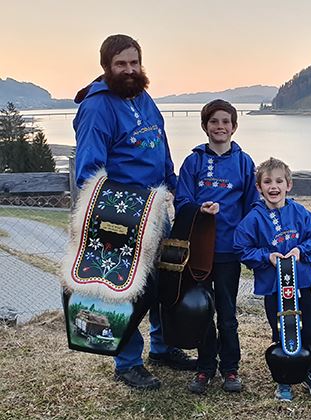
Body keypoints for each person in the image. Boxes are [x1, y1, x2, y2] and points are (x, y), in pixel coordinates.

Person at [73, 34, 196, 390]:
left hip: (156, 208)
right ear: (106, 67)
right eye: (121, 64)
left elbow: (160, 145)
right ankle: (127, 362)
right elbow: (89, 171)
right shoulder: (97, 108)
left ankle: (162, 347)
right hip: (121, 214)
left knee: (163, 280)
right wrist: (109, 214)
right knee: (124, 289)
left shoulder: (143, 97)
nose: (129, 70)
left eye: (134, 62)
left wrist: (173, 184)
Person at [175, 99, 260, 393]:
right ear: (205, 126)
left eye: (226, 122)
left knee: (226, 313)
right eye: (214, 121)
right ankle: (204, 368)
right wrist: (199, 210)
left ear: (234, 127)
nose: (220, 127)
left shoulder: (244, 163)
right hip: (199, 250)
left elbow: (252, 206)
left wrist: (247, 240)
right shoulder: (193, 162)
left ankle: (230, 368)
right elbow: (182, 200)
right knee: (202, 310)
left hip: (228, 251)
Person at [233, 157, 311, 402]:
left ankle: (310, 371)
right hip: (273, 287)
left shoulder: (300, 213)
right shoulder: (253, 218)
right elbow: (241, 248)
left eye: (279, 181)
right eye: (267, 182)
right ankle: (284, 376)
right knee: (282, 332)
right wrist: (267, 257)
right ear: (259, 187)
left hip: (301, 285)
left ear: (289, 185)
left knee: (310, 332)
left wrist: (300, 251)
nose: (273, 186)